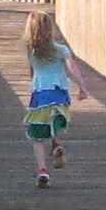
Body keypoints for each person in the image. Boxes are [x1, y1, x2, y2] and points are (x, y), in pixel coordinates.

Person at [22, 10, 90, 189]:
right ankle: (56, 143)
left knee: (36, 135)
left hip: (40, 95)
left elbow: (32, 72)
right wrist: (82, 86)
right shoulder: (61, 50)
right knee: (55, 121)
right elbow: (72, 67)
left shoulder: (32, 51)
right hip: (60, 94)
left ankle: (43, 170)